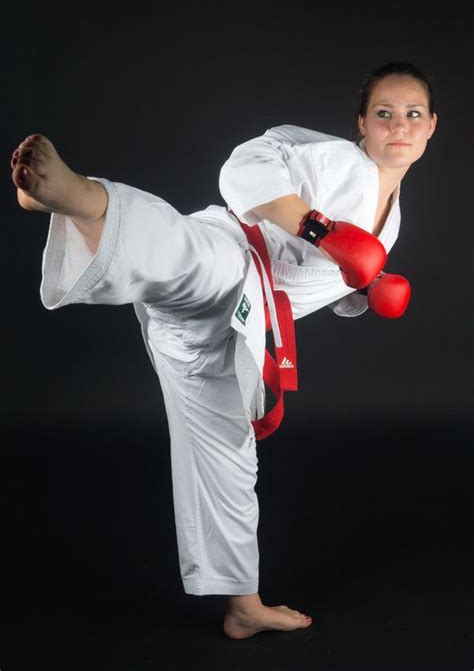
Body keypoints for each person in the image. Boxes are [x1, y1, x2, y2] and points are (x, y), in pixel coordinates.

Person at [11, 60, 437, 640]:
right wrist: (323, 230)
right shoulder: (334, 159)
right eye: (384, 114)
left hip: (235, 329)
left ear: (432, 126)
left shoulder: (392, 223)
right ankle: (85, 201)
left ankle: (243, 606)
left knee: (228, 458)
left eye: (413, 114)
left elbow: (332, 274)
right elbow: (244, 166)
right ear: (361, 123)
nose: (399, 126)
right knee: (195, 260)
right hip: (229, 257)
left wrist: (371, 283)